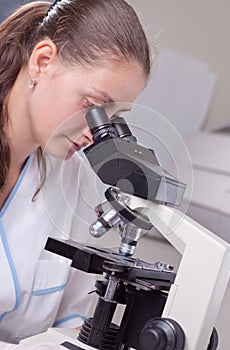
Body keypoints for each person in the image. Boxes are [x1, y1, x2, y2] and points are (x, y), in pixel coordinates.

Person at [0, 0, 151, 348]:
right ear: (42, 62)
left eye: (112, 117)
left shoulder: (70, 175)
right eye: (91, 106)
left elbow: (72, 316)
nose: (95, 133)